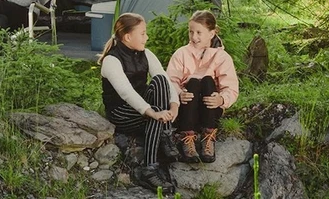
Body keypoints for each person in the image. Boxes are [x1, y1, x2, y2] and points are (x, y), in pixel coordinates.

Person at [100, 13, 179, 194]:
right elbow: (125, 92)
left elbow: (165, 79)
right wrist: (152, 112)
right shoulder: (111, 60)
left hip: (143, 107)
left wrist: (174, 104)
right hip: (121, 112)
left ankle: (165, 135)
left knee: (159, 80)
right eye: (143, 33)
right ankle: (149, 170)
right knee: (155, 113)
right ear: (128, 37)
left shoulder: (146, 54)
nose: (147, 37)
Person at [166, 10, 239, 163]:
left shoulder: (222, 57)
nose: (194, 37)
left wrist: (221, 99)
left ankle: (208, 136)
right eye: (191, 32)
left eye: (199, 32)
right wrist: (179, 93)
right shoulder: (181, 54)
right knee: (193, 82)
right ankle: (187, 136)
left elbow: (231, 87)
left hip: (210, 109)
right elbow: (171, 81)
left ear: (212, 33)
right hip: (187, 108)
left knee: (207, 80)